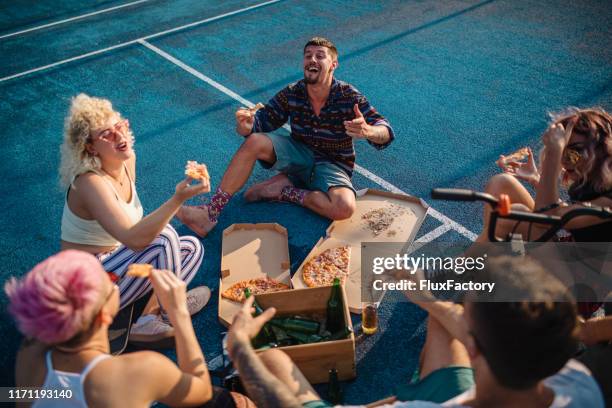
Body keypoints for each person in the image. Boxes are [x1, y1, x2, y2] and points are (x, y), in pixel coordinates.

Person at [225, 256, 605, 407]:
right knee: (440, 324)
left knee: (272, 359)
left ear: (474, 348)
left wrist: (240, 347)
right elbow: (459, 322)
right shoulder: (580, 384)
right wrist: (425, 297)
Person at [177, 37, 395, 237]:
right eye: (308, 55)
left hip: (332, 164)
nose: (312, 59)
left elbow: (385, 131)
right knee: (254, 141)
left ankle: (286, 191)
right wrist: (246, 127)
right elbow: (262, 123)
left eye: (320, 56)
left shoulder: (349, 96)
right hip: (298, 155)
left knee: (344, 208)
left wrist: (368, 131)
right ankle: (210, 213)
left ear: (333, 65)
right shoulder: (292, 92)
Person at [59, 94, 210, 343]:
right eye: (106, 134)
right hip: (84, 288)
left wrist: (178, 201)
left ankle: (150, 317)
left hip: (116, 263)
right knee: (164, 238)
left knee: (192, 248)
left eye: (120, 126)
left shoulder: (127, 161)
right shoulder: (88, 182)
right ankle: (171, 312)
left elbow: (135, 234)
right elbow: (135, 238)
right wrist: (178, 199)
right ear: (90, 147)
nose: (119, 136)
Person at [5, 250, 213, 407]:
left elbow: (11, 395)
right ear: (104, 314)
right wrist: (179, 315)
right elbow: (202, 390)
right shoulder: (144, 371)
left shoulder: (29, 351)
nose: (115, 281)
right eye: (111, 281)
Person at [481, 107, 612, 242]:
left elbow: (546, 217)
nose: (565, 161)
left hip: (581, 262)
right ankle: (494, 253)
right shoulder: (593, 183)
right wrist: (536, 179)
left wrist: (553, 154)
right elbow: (568, 213)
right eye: (563, 151)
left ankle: (468, 262)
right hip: (571, 252)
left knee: (513, 215)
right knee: (502, 183)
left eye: (574, 153)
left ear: (602, 152)